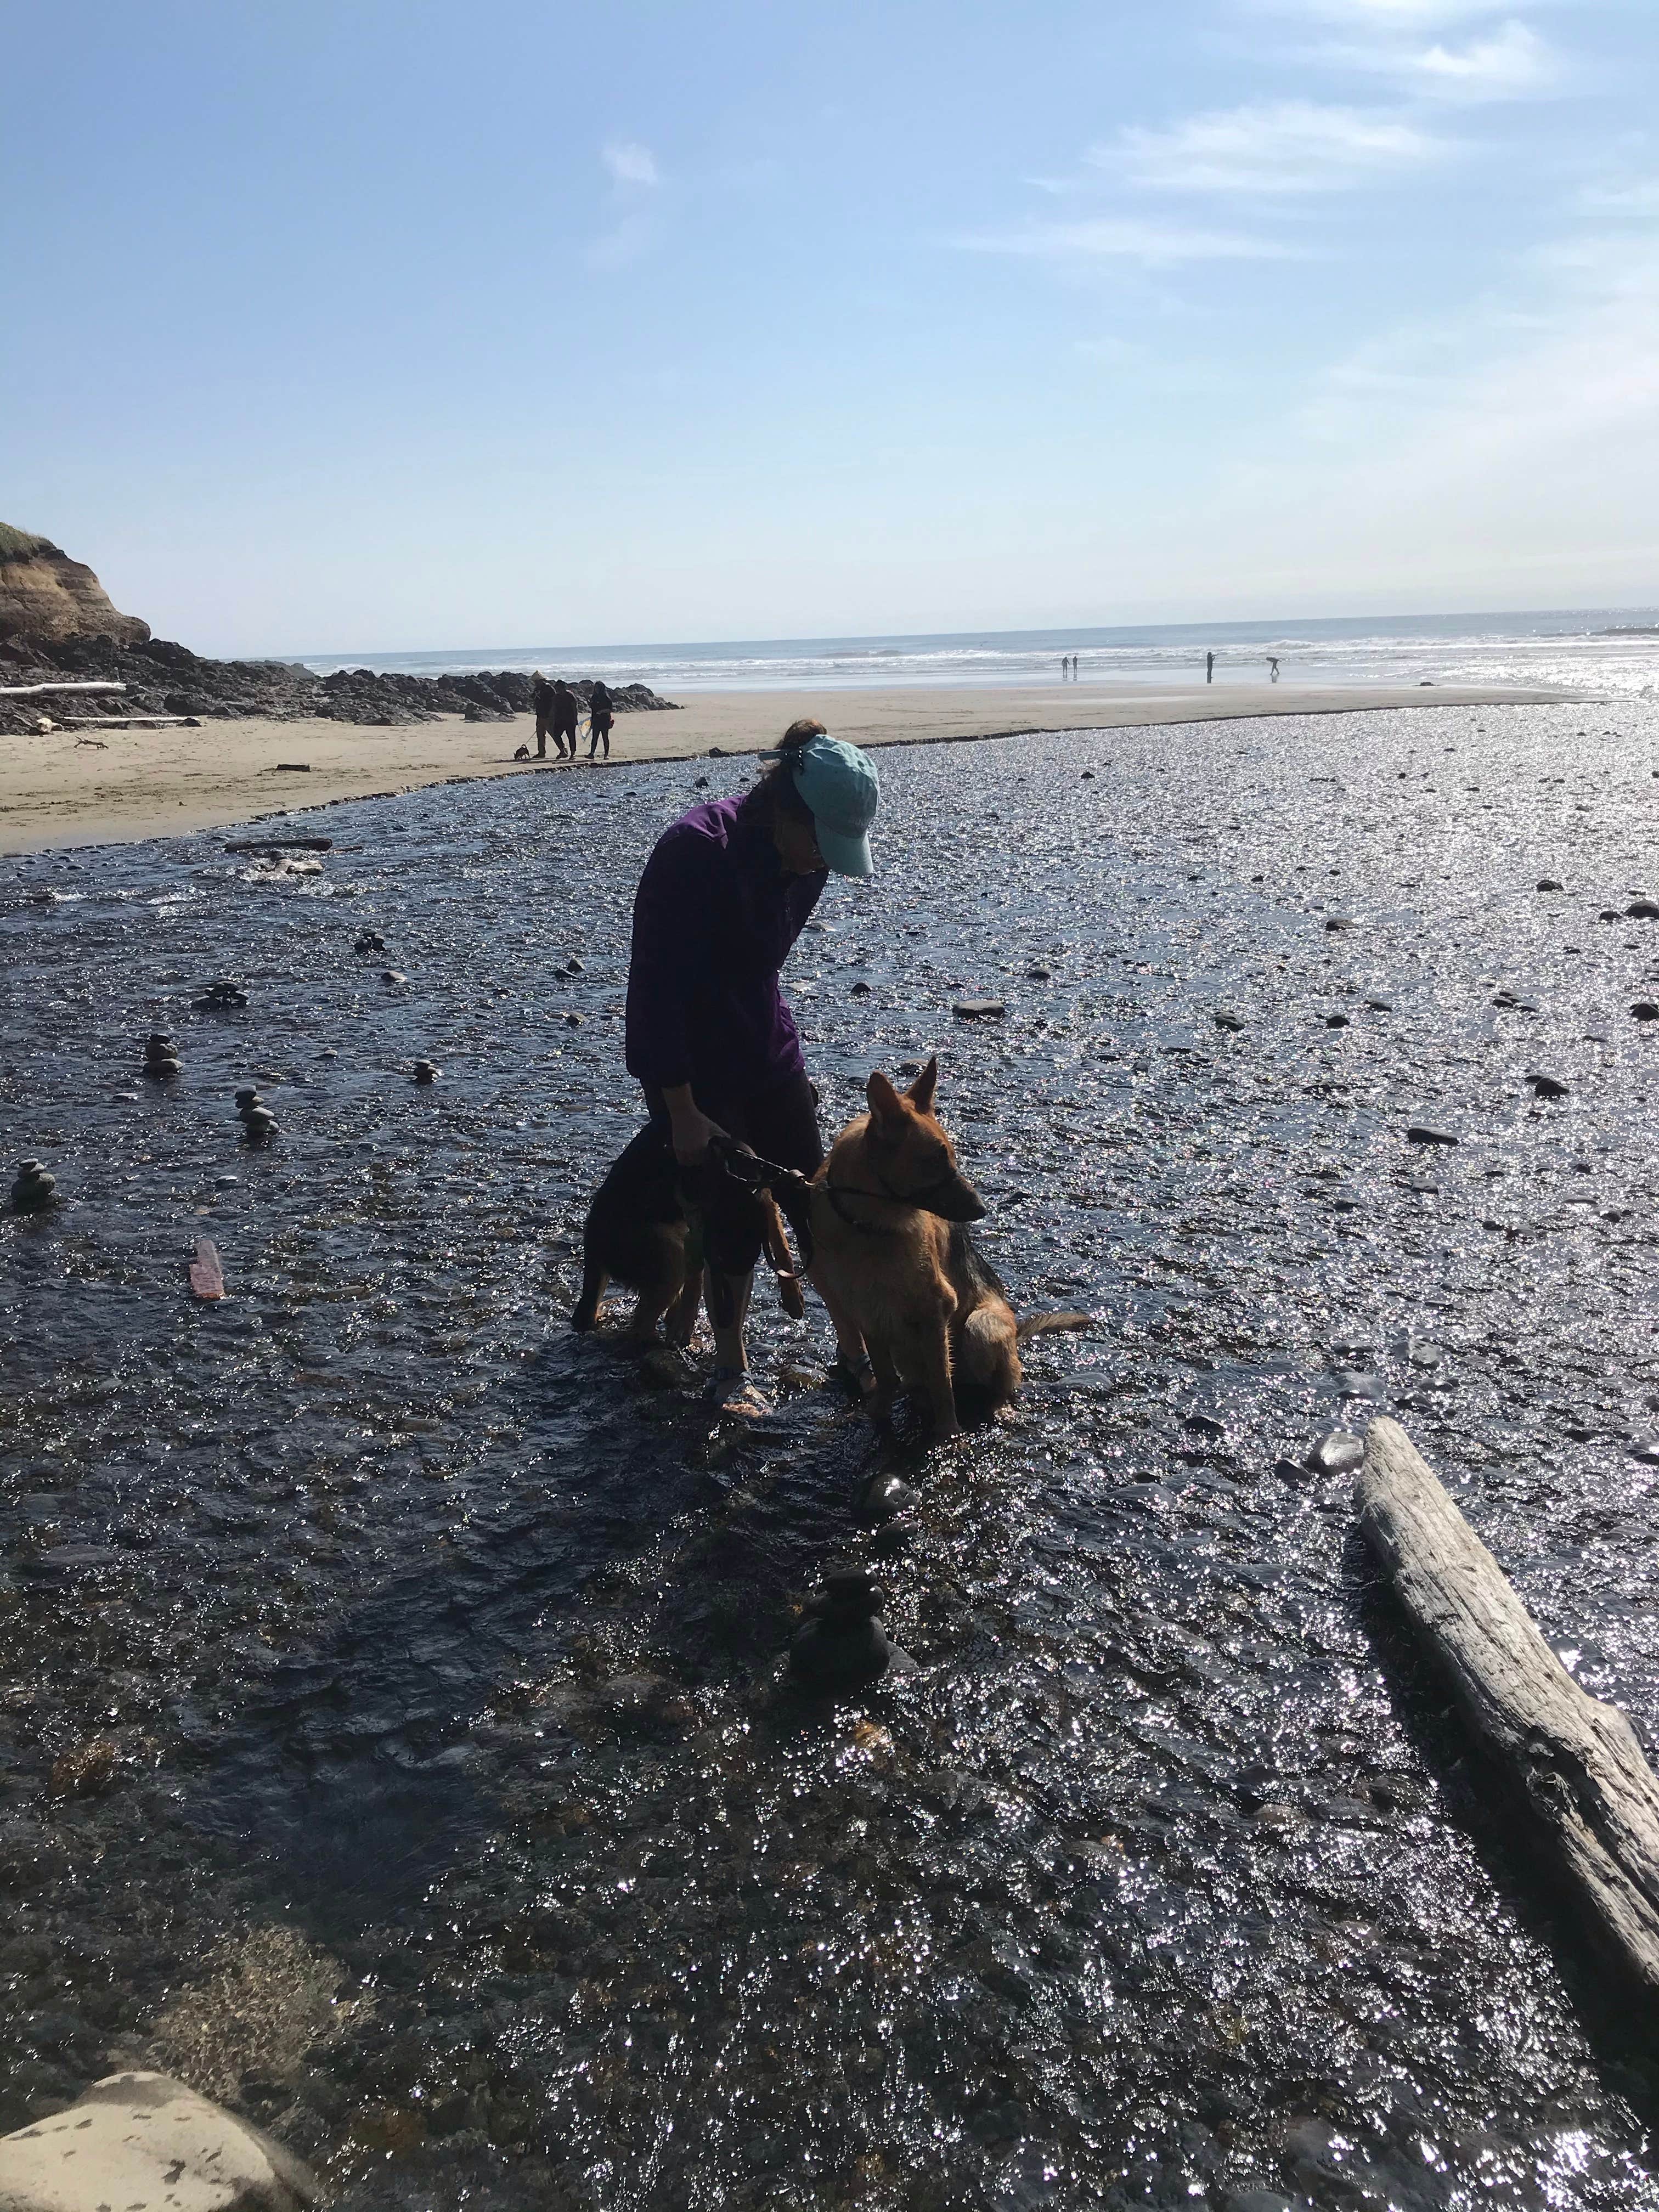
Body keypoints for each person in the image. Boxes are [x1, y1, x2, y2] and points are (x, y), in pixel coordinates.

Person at [625, 719, 879, 1415]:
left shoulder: (809, 861)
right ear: (784, 809)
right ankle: (730, 1369)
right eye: (818, 847)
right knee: (732, 1209)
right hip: (693, 1062)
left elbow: (759, 966)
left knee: (818, 1200)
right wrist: (678, 1108)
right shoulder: (693, 853)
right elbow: (654, 990)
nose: (818, 865)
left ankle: (855, 1352)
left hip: (766, 1042)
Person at [551, 678, 581, 759]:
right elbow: (554, 709)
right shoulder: (556, 697)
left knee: (571, 737)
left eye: (559, 688)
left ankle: (573, 754)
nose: (558, 690)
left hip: (570, 720)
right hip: (559, 720)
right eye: (557, 688)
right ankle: (562, 751)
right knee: (556, 735)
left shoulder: (570, 695)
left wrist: (576, 719)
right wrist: (553, 719)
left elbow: (575, 708)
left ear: (564, 688)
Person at [588, 678, 614, 760]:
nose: (596, 690)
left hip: (604, 720)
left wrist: (602, 711)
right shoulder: (594, 697)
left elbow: (611, 709)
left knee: (605, 737)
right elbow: (593, 708)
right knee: (595, 738)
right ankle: (592, 753)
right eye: (595, 688)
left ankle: (606, 754)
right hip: (596, 720)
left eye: (598, 688)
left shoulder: (606, 698)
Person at [531, 672, 555, 759]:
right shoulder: (537, 689)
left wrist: (552, 713)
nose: (535, 683)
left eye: (536, 681)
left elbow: (554, 700)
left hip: (548, 714)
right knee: (540, 734)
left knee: (553, 733)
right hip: (540, 714)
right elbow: (534, 698)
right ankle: (541, 752)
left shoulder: (549, 688)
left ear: (541, 681)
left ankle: (563, 749)